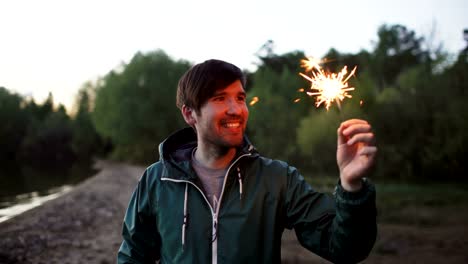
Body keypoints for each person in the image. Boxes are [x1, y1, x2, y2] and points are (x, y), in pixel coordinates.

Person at [117, 59, 377, 264]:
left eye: (240, 98)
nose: (236, 109)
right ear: (189, 114)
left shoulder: (277, 178)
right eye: (220, 98)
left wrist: (351, 186)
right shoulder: (157, 179)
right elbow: (133, 256)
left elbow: (346, 250)